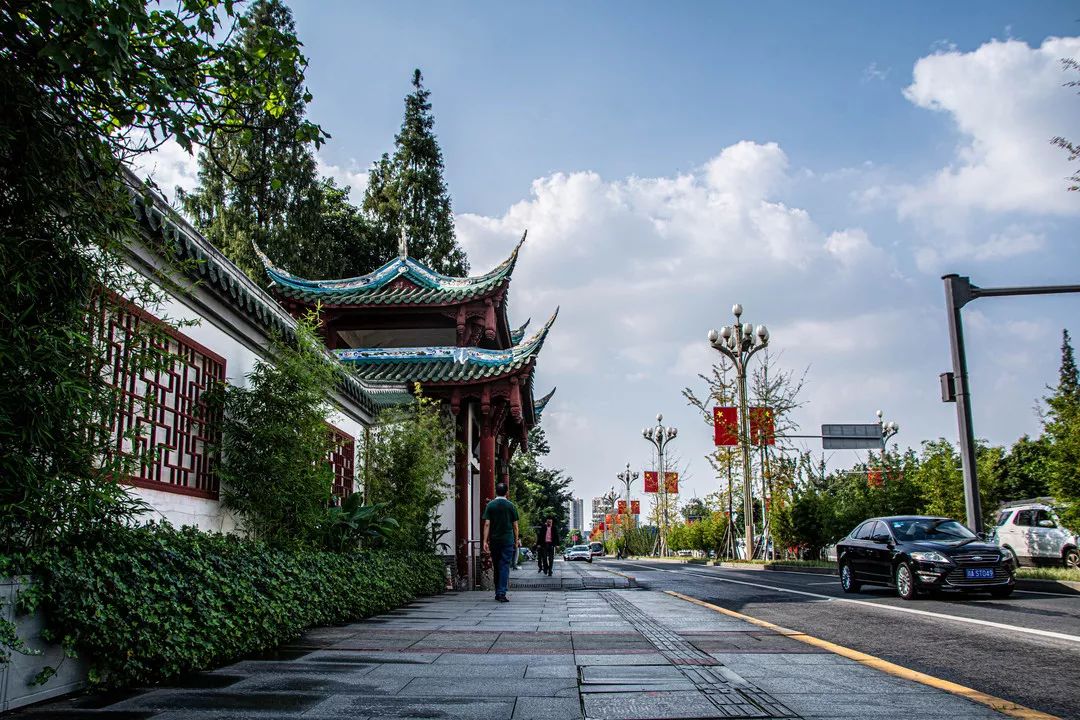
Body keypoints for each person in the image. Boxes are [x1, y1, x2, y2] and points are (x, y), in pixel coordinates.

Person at [481, 482, 519, 602]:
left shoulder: (490, 505)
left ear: (496, 491)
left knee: (497, 566)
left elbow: (487, 524)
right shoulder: (511, 506)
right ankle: (501, 592)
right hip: (507, 540)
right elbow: (515, 526)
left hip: (495, 540)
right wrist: (516, 540)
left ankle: (498, 592)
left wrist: (484, 541)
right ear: (507, 492)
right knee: (504, 565)